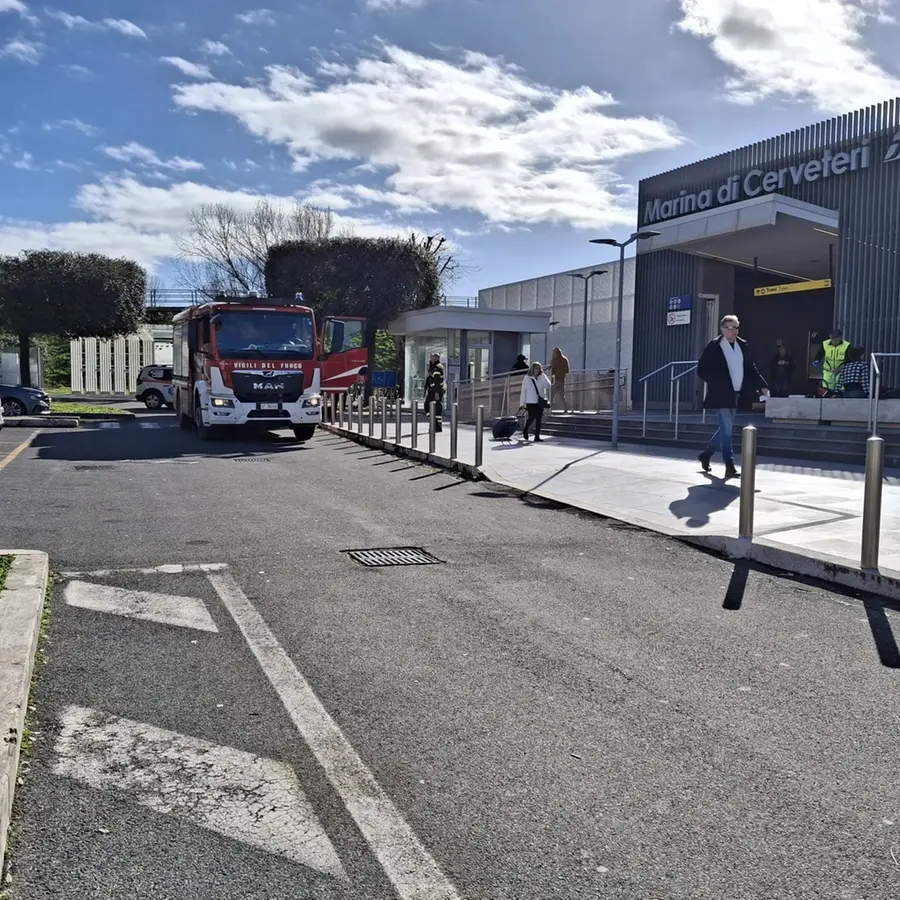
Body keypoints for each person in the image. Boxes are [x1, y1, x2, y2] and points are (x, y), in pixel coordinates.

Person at [697, 315, 769, 479]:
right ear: (722, 329)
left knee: (725, 428)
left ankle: (706, 454)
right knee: (727, 429)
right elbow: (702, 370)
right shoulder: (714, 346)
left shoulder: (742, 345)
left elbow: (751, 368)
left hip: (736, 393)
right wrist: (717, 382)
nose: (734, 331)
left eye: (736, 327)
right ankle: (729, 465)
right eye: (730, 328)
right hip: (720, 394)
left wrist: (762, 386)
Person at [519, 362, 551, 442]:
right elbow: (523, 391)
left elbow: (548, 385)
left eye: (539, 368)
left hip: (540, 401)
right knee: (531, 418)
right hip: (530, 401)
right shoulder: (527, 378)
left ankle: (537, 436)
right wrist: (522, 403)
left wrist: (543, 376)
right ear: (532, 369)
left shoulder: (542, 377)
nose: (538, 370)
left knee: (539, 419)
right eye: (536, 368)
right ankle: (525, 429)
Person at [423, 353, 445, 432]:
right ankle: (436, 426)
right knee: (434, 408)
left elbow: (437, 381)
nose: (431, 359)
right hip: (433, 390)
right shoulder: (433, 367)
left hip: (435, 391)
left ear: (437, 358)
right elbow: (429, 379)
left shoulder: (437, 367)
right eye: (431, 357)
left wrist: (436, 393)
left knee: (429, 407)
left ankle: (435, 425)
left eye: (433, 357)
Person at [549, 347, 571, 413]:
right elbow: (567, 370)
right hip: (562, 380)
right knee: (562, 396)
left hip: (555, 380)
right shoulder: (564, 359)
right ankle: (566, 408)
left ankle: (549, 408)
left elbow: (551, 370)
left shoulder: (554, 360)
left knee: (551, 395)